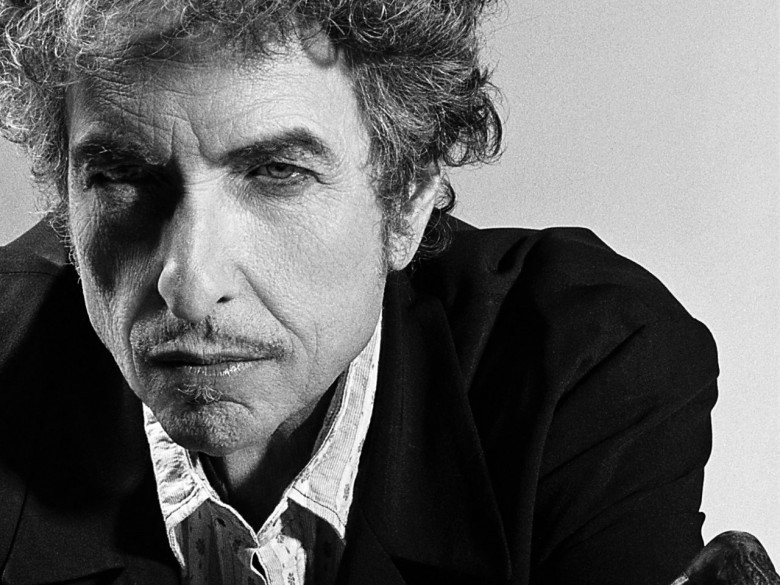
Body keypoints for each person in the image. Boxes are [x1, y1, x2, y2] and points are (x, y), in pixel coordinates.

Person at [0, 1, 718, 584]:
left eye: (277, 173)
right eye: (121, 177)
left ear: (406, 202)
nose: (189, 285)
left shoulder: (586, 362)